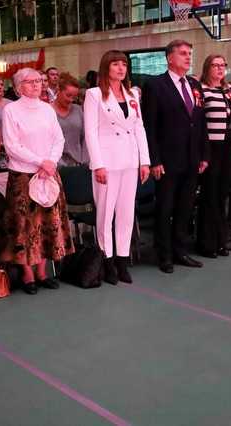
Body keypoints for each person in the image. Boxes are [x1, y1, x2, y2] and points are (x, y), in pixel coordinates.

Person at [0, 68, 74, 294]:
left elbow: (58, 139)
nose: (35, 85)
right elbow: (12, 145)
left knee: (48, 223)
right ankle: (27, 275)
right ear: (19, 86)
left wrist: (50, 162)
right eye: (29, 82)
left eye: (38, 81)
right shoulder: (11, 110)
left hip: (48, 173)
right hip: (23, 175)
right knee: (25, 226)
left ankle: (43, 272)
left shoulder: (47, 110)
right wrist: (40, 161)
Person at [142, 40, 208, 273]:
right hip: (167, 160)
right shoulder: (155, 85)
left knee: (185, 208)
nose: (188, 57)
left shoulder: (193, 84)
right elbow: (149, 126)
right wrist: (154, 160)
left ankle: (180, 251)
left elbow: (199, 122)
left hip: (191, 158)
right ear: (170, 58)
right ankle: (164, 254)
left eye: (190, 53)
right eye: (183, 54)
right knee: (165, 208)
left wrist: (203, 154)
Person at [84, 50, 150, 284]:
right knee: (105, 214)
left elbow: (139, 127)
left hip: (130, 160)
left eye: (124, 64)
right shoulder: (93, 95)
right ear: (106, 68)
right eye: (116, 64)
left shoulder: (132, 93)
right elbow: (90, 131)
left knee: (126, 212)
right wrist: (98, 164)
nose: (121, 68)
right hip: (107, 162)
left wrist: (145, 160)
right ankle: (107, 261)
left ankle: (123, 260)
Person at [196, 54, 231, 258]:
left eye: (222, 65)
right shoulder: (201, 90)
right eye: (215, 65)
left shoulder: (230, 90)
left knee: (222, 195)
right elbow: (198, 123)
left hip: (228, 147)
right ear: (207, 68)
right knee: (210, 196)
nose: (219, 69)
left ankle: (220, 239)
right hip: (211, 148)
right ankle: (207, 243)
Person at [54, 73, 87, 166]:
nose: (71, 100)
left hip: (78, 163)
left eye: (74, 96)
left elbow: (85, 137)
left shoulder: (78, 110)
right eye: (68, 95)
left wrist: (84, 160)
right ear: (58, 91)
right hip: (55, 165)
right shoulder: (47, 111)